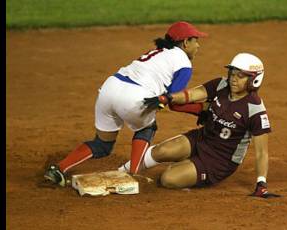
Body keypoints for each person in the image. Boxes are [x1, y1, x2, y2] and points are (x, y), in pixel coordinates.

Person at [44, 21, 208, 186]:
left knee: (102, 145)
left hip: (109, 89)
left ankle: (58, 169)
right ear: (186, 42)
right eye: (196, 40)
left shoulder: (158, 52)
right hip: (134, 96)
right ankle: (133, 174)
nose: (198, 46)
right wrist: (200, 110)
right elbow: (175, 101)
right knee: (147, 128)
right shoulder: (184, 63)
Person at [119, 53, 280, 198]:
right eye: (232, 73)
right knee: (162, 151)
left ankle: (189, 166)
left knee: (167, 179)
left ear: (254, 80)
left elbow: (261, 152)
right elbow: (192, 95)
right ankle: (122, 172)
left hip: (219, 161)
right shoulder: (221, 85)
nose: (233, 78)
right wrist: (167, 98)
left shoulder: (255, 111)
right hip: (202, 138)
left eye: (240, 76)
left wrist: (261, 184)